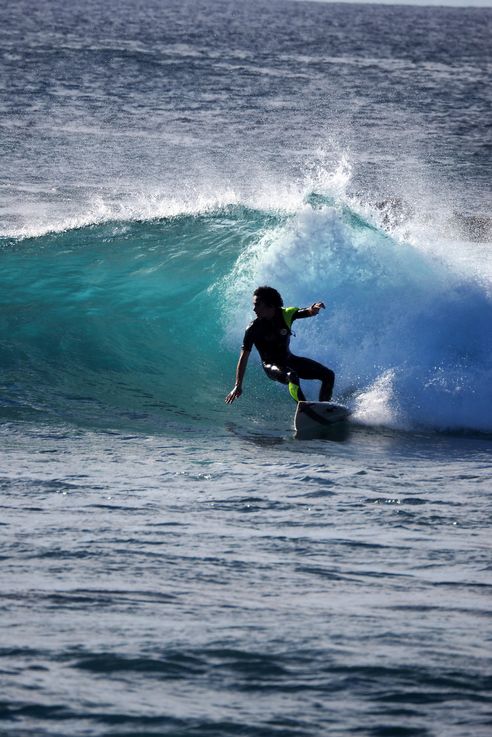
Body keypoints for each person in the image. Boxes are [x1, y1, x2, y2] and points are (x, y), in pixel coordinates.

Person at [225, 285, 335, 405]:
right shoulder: (253, 329)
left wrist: (313, 309)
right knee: (292, 376)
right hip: (271, 366)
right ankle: (304, 408)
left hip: (289, 360)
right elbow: (243, 357)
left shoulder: (286, 314)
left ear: (270, 305)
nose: (254, 309)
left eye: (257, 304)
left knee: (328, 375)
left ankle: (325, 408)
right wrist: (238, 385)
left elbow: (306, 311)